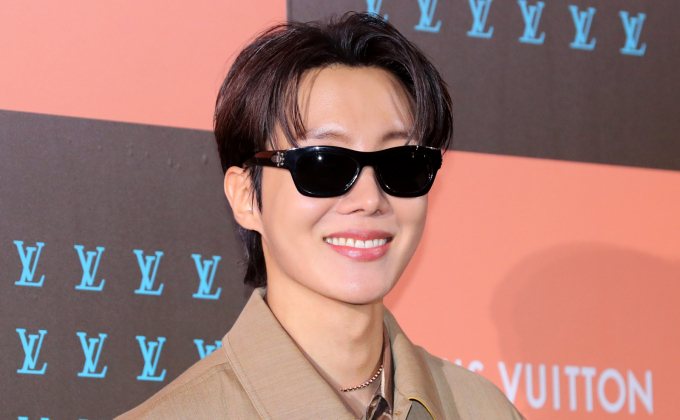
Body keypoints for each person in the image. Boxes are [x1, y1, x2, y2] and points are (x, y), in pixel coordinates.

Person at [117, 12, 525, 420]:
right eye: (324, 165)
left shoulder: (483, 410)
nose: (370, 199)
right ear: (246, 197)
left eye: (401, 164)